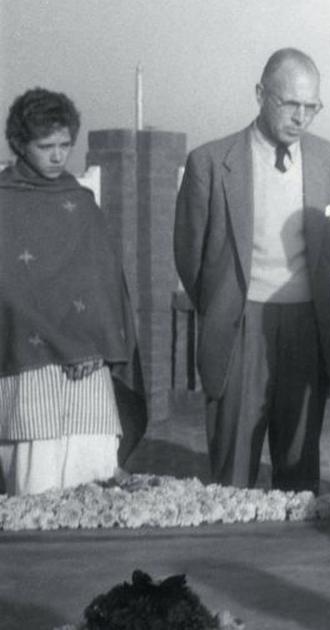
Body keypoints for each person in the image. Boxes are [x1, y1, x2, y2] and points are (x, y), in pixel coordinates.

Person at [174, 48, 330, 493]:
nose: (301, 116)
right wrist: (225, 306)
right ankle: (227, 555)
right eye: (289, 103)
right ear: (259, 94)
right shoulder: (211, 162)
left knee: (299, 469)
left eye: (311, 106)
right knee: (232, 474)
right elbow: (190, 255)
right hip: (239, 324)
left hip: (306, 324)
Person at [0, 88, 139, 494]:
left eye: (65, 145)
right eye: (47, 147)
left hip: (87, 368)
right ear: (20, 144)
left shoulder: (80, 202)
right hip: (29, 365)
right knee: (34, 481)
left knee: (92, 475)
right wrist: (64, 344)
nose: (59, 156)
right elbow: (8, 286)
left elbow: (104, 282)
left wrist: (93, 345)